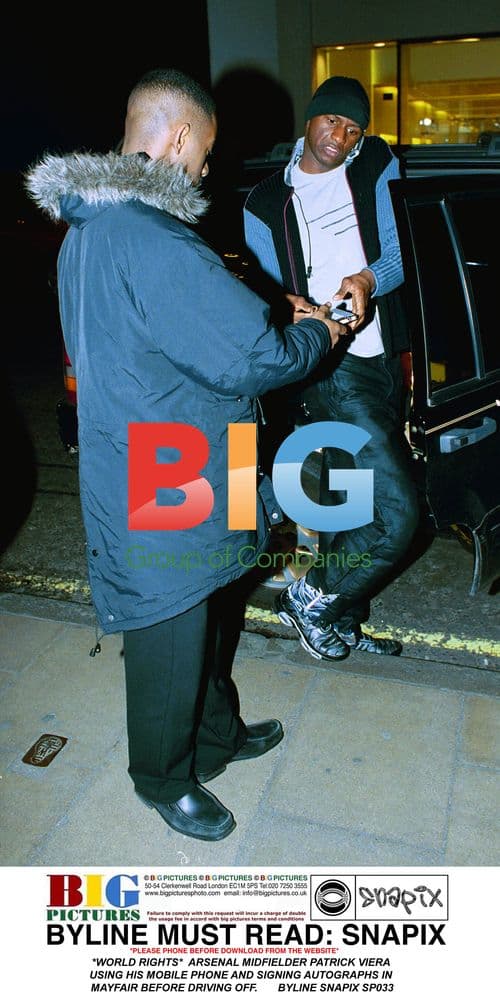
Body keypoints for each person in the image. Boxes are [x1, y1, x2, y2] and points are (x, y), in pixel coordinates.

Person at [26, 68, 344, 842]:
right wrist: (321, 331)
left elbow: (174, 324)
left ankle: (216, 734)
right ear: (175, 138)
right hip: (169, 463)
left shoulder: (94, 225)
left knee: (207, 606)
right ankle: (162, 776)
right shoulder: (151, 234)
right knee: (172, 628)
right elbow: (255, 357)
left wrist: (263, 305)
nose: (206, 168)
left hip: (176, 443)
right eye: (203, 150)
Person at [244, 75, 420, 662]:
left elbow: (399, 254)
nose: (339, 136)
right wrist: (301, 310)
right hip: (329, 369)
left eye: (352, 128)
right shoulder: (265, 201)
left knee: (357, 505)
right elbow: (269, 292)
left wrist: (368, 280)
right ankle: (312, 596)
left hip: (379, 360)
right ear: (309, 119)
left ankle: (340, 614)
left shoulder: (374, 166)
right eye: (331, 122)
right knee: (399, 515)